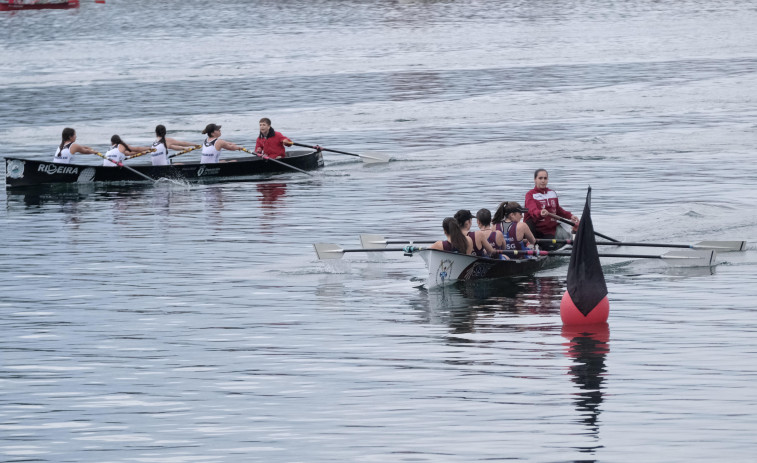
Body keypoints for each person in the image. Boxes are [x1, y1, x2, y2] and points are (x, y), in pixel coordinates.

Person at [524, 168, 579, 240]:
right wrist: (540, 213)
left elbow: (558, 210)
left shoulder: (552, 193)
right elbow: (532, 210)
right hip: (535, 229)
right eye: (540, 178)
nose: (543, 181)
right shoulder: (530, 195)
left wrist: (570, 216)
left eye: (545, 178)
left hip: (549, 230)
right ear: (535, 180)